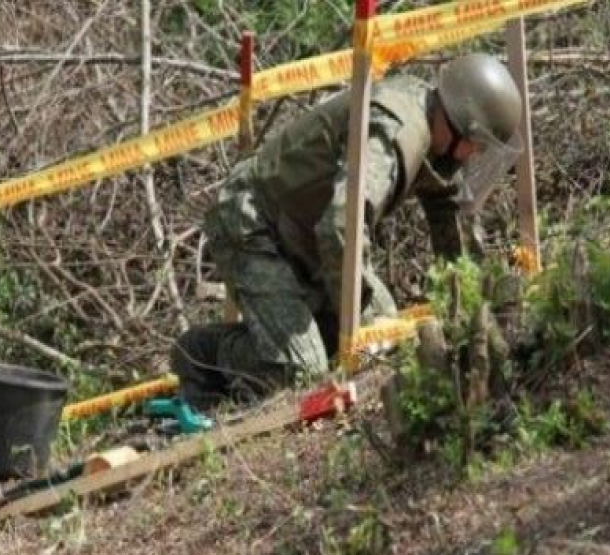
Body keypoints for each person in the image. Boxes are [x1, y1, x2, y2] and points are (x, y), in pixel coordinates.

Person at [173, 52, 523, 409]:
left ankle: (291, 340)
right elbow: (341, 225)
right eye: (476, 145)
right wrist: (365, 320)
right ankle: (204, 353)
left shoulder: (437, 131)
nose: (473, 156)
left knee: (380, 339)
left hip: (306, 233)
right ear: (460, 124)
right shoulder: (395, 133)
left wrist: (468, 299)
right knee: (304, 371)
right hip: (251, 220)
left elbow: (448, 212)